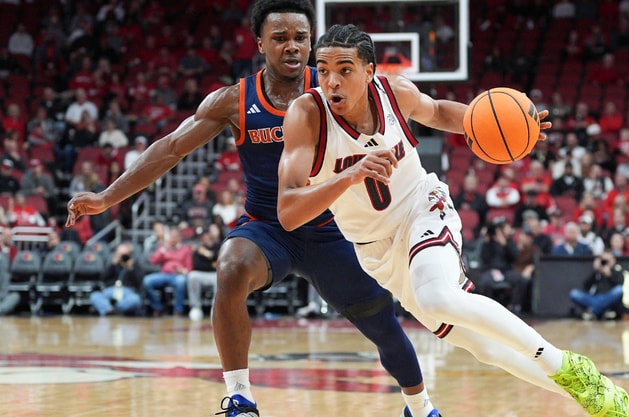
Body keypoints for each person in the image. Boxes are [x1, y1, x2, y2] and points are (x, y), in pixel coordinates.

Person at [66, 3, 442, 417]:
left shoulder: (340, 86)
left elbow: (402, 118)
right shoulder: (234, 101)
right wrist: (106, 198)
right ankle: (240, 397)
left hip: (336, 230)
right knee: (230, 267)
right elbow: (170, 149)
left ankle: (419, 405)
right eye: (280, 38)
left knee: (382, 325)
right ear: (260, 43)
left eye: (301, 38)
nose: (293, 47)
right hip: (268, 228)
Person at [276, 24, 629, 417]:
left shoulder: (395, 92)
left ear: (370, 71)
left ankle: (560, 362)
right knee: (483, 347)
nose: (331, 81)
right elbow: (288, 212)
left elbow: (440, 111)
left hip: (421, 208)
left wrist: (506, 126)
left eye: (344, 69)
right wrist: (350, 174)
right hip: (375, 250)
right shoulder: (306, 115)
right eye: (322, 70)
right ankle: (598, 399)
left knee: (437, 297)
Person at [142, 227, 191, 317]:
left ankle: (178, 310)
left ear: (179, 238)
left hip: (177, 275)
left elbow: (189, 268)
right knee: (147, 281)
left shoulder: (185, 249)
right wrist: (164, 249)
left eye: (174, 237)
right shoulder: (163, 248)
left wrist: (182, 271)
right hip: (163, 274)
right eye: (170, 237)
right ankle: (158, 308)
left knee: (181, 281)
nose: (172, 239)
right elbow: (154, 261)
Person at [89, 242, 145, 316]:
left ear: (129, 255)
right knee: (94, 296)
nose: (122, 257)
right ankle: (109, 309)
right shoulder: (113, 264)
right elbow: (103, 278)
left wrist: (131, 268)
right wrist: (112, 265)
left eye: (124, 255)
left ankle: (113, 310)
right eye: (119, 254)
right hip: (112, 289)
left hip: (127, 291)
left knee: (135, 300)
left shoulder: (135, 265)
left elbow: (140, 281)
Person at [569, 252, 625, 321]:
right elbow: (586, 286)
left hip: (608, 298)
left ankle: (594, 311)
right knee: (574, 293)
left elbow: (620, 284)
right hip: (594, 298)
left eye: (608, 260)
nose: (605, 263)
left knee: (619, 290)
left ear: (613, 261)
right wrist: (595, 271)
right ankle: (601, 310)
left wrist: (609, 275)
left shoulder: (617, 271)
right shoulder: (597, 272)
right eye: (603, 260)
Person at [187, 226, 221, 321]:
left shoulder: (218, 245)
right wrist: (211, 263)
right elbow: (197, 265)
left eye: (207, 235)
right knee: (192, 276)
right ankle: (195, 307)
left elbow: (220, 261)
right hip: (201, 274)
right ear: (200, 239)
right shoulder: (197, 248)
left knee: (220, 278)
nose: (206, 238)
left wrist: (207, 254)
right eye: (203, 237)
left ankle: (216, 308)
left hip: (215, 274)